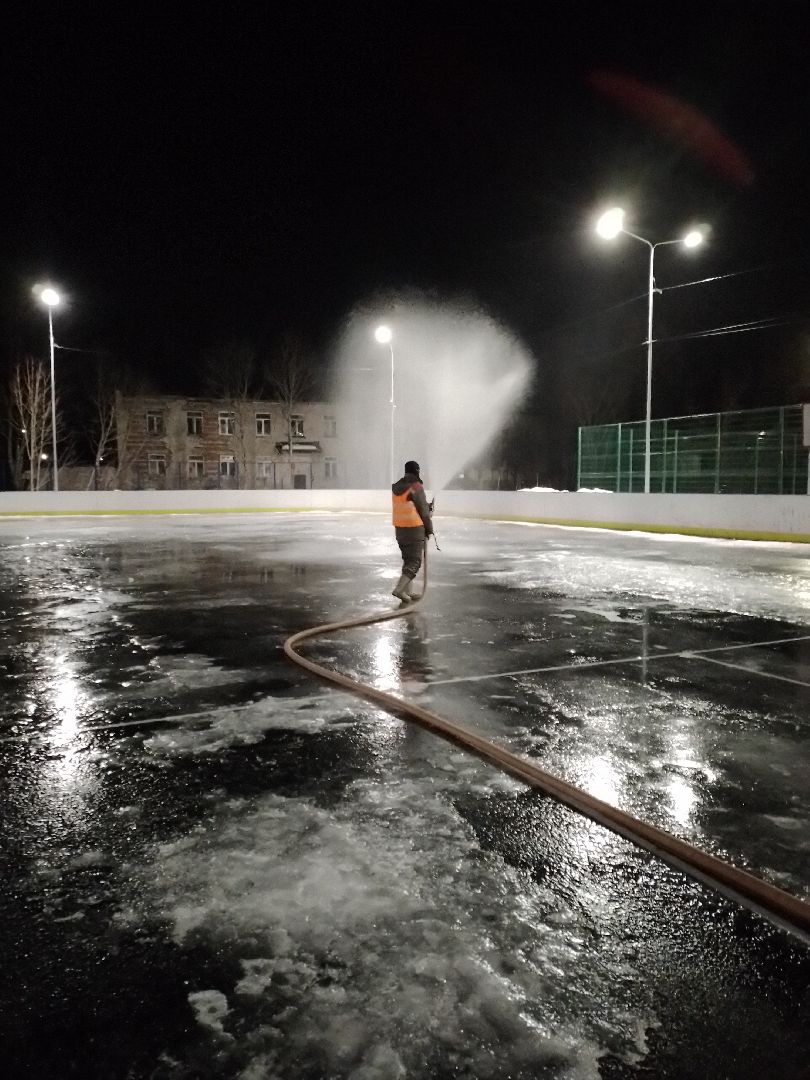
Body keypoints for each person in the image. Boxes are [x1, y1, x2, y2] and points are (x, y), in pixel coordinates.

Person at [391, 459, 433, 604]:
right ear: (417, 471)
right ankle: (399, 589)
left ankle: (407, 592)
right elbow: (423, 511)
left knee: (407, 560)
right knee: (414, 562)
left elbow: (410, 503)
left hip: (400, 529)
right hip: (414, 529)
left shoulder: (398, 486)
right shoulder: (415, 485)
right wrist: (430, 529)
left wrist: (426, 506)